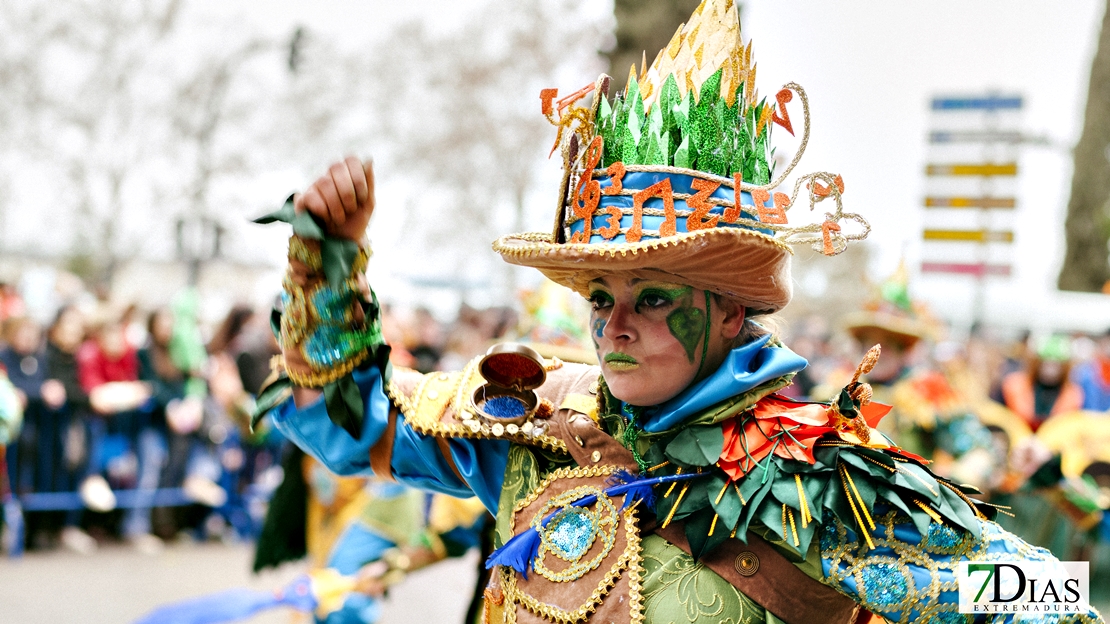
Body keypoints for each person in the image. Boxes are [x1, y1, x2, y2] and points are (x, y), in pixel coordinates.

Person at [256, 1, 1104, 621]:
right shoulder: (535, 429)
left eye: (653, 299)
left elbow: (1033, 593)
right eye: (600, 297)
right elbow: (345, 419)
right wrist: (327, 262)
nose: (612, 325)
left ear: (730, 314)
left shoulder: (815, 478)